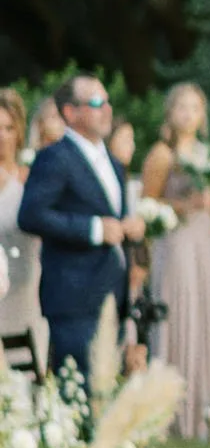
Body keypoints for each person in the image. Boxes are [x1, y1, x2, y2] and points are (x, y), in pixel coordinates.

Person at [17, 73, 141, 380]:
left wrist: (129, 227)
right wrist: (93, 229)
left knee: (106, 392)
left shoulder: (113, 162)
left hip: (112, 292)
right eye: (97, 102)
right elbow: (31, 215)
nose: (107, 109)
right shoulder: (54, 158)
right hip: (73, 296)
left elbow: (112, 217)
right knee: (77, 392)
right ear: (71, 112)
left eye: (107, 101)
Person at [139, 84, 210, 440]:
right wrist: (183, 205)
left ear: (203, 115)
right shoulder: (162, 154)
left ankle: (206, 405)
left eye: (195, 107)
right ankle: (173, 410)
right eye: (182, 107)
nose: (189, 114)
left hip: (204, 240)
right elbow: (147, 205)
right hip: (175, 243)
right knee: (179, 315)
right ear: (170, 114)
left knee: (205, 315)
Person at [0, 87, 43, 374]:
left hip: (26, 291)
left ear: (18, 132)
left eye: (7, 127)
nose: (1, 135)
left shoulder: (30, 179)